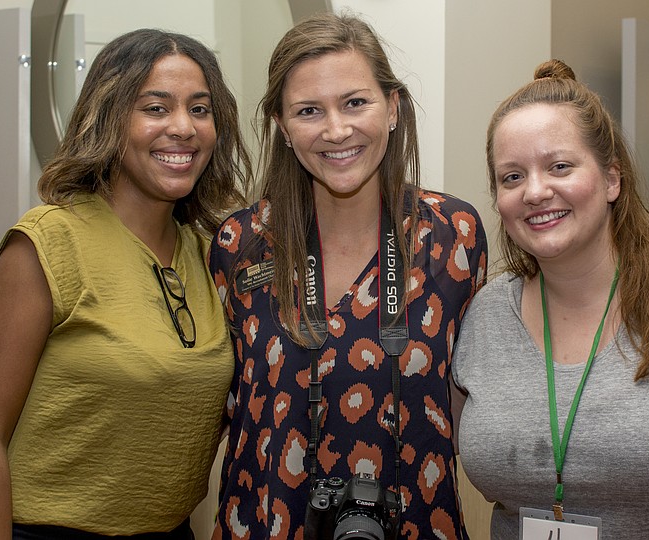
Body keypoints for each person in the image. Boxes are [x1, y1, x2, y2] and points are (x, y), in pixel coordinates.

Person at [451, 58, 649, 539]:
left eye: (560, 167)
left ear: (611, 180)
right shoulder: (483, 314)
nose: (535, 192)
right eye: (512, 177)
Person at [0, 28, 251, 539]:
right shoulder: (48, 243)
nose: (183, 127)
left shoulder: (212, 255)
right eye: (155, 108)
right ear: (109, 118)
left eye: (200, 109)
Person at [209, 12, 487, 540]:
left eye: (355, 102)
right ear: (282, 127)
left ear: (393, 108)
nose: (336, 130)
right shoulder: (239, 245)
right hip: (268, 523)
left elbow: (470, 400)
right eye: (309, 111)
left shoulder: (454, 236)